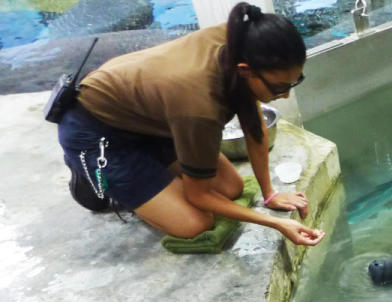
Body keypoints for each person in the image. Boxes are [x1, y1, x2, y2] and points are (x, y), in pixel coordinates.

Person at [57, 2, 324, 245]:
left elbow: (254, 125)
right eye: (279, 87)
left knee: (232, 188)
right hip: (95, 132)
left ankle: (152, 176)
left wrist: (269, 194)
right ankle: (95, 179)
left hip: (150, 119)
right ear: (246, 71)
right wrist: (276, 223)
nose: (286, 94)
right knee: (196, 222)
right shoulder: (200, 107)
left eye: (294, 82)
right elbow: (199, 196)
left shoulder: (242, 40)